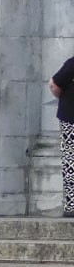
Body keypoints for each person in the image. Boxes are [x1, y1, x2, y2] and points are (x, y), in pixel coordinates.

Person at [51, 51, 74, 217]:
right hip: (70, 118)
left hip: (70, 116)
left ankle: (71, 205)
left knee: (70, 161)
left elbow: (54, 84)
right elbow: (55, 83)